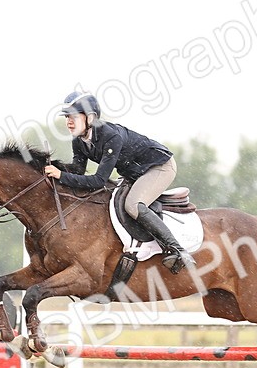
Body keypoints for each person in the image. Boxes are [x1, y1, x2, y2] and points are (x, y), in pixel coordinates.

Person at [43, 91, 195, 272]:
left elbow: (98, 180)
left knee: (133, 205)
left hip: (159, 166)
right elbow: (77, 172)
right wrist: (51, 168)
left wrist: (61, 175)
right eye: (67, 117)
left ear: (90, 118)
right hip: (134, 172)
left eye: (73, 117)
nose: (68, 121)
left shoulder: (110, 136)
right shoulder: (79, 141)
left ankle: (177, 249)